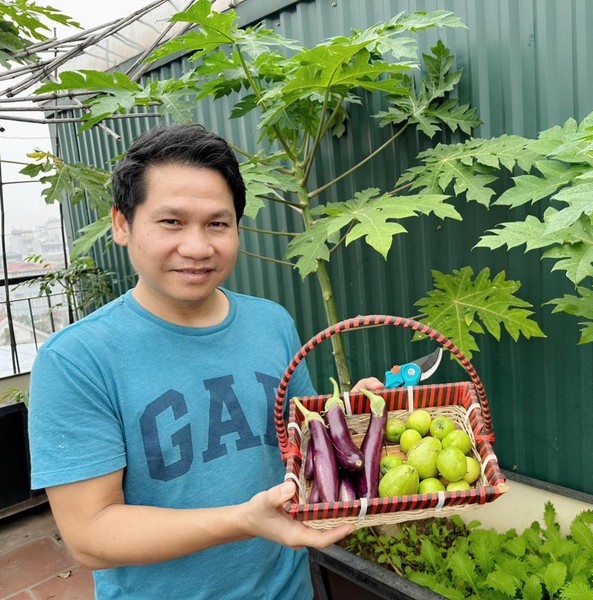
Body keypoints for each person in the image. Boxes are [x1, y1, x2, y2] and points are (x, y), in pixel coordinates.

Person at [27, 123, 382, 599]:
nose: (197, 248)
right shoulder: (77, 359)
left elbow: (301, 442)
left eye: (217, 223)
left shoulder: (271, 322)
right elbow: (90, 536)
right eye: (171, 222)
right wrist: (243, 521)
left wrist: (348, 420)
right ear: (122, 224)